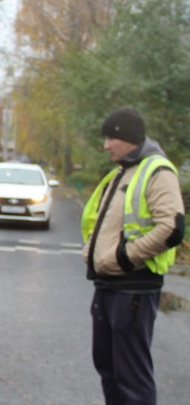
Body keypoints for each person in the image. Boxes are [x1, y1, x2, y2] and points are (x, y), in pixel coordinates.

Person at [81, 108, 185, 404]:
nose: (106, 145)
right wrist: (91, 252)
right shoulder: (125, 170)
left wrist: (125, 258)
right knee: (109, 369)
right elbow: (103, 222)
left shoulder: (157, 171)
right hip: (108, 287)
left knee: (132, 379)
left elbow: (172, 228)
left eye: (111, 138)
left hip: (133, 290)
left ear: (128, 137)